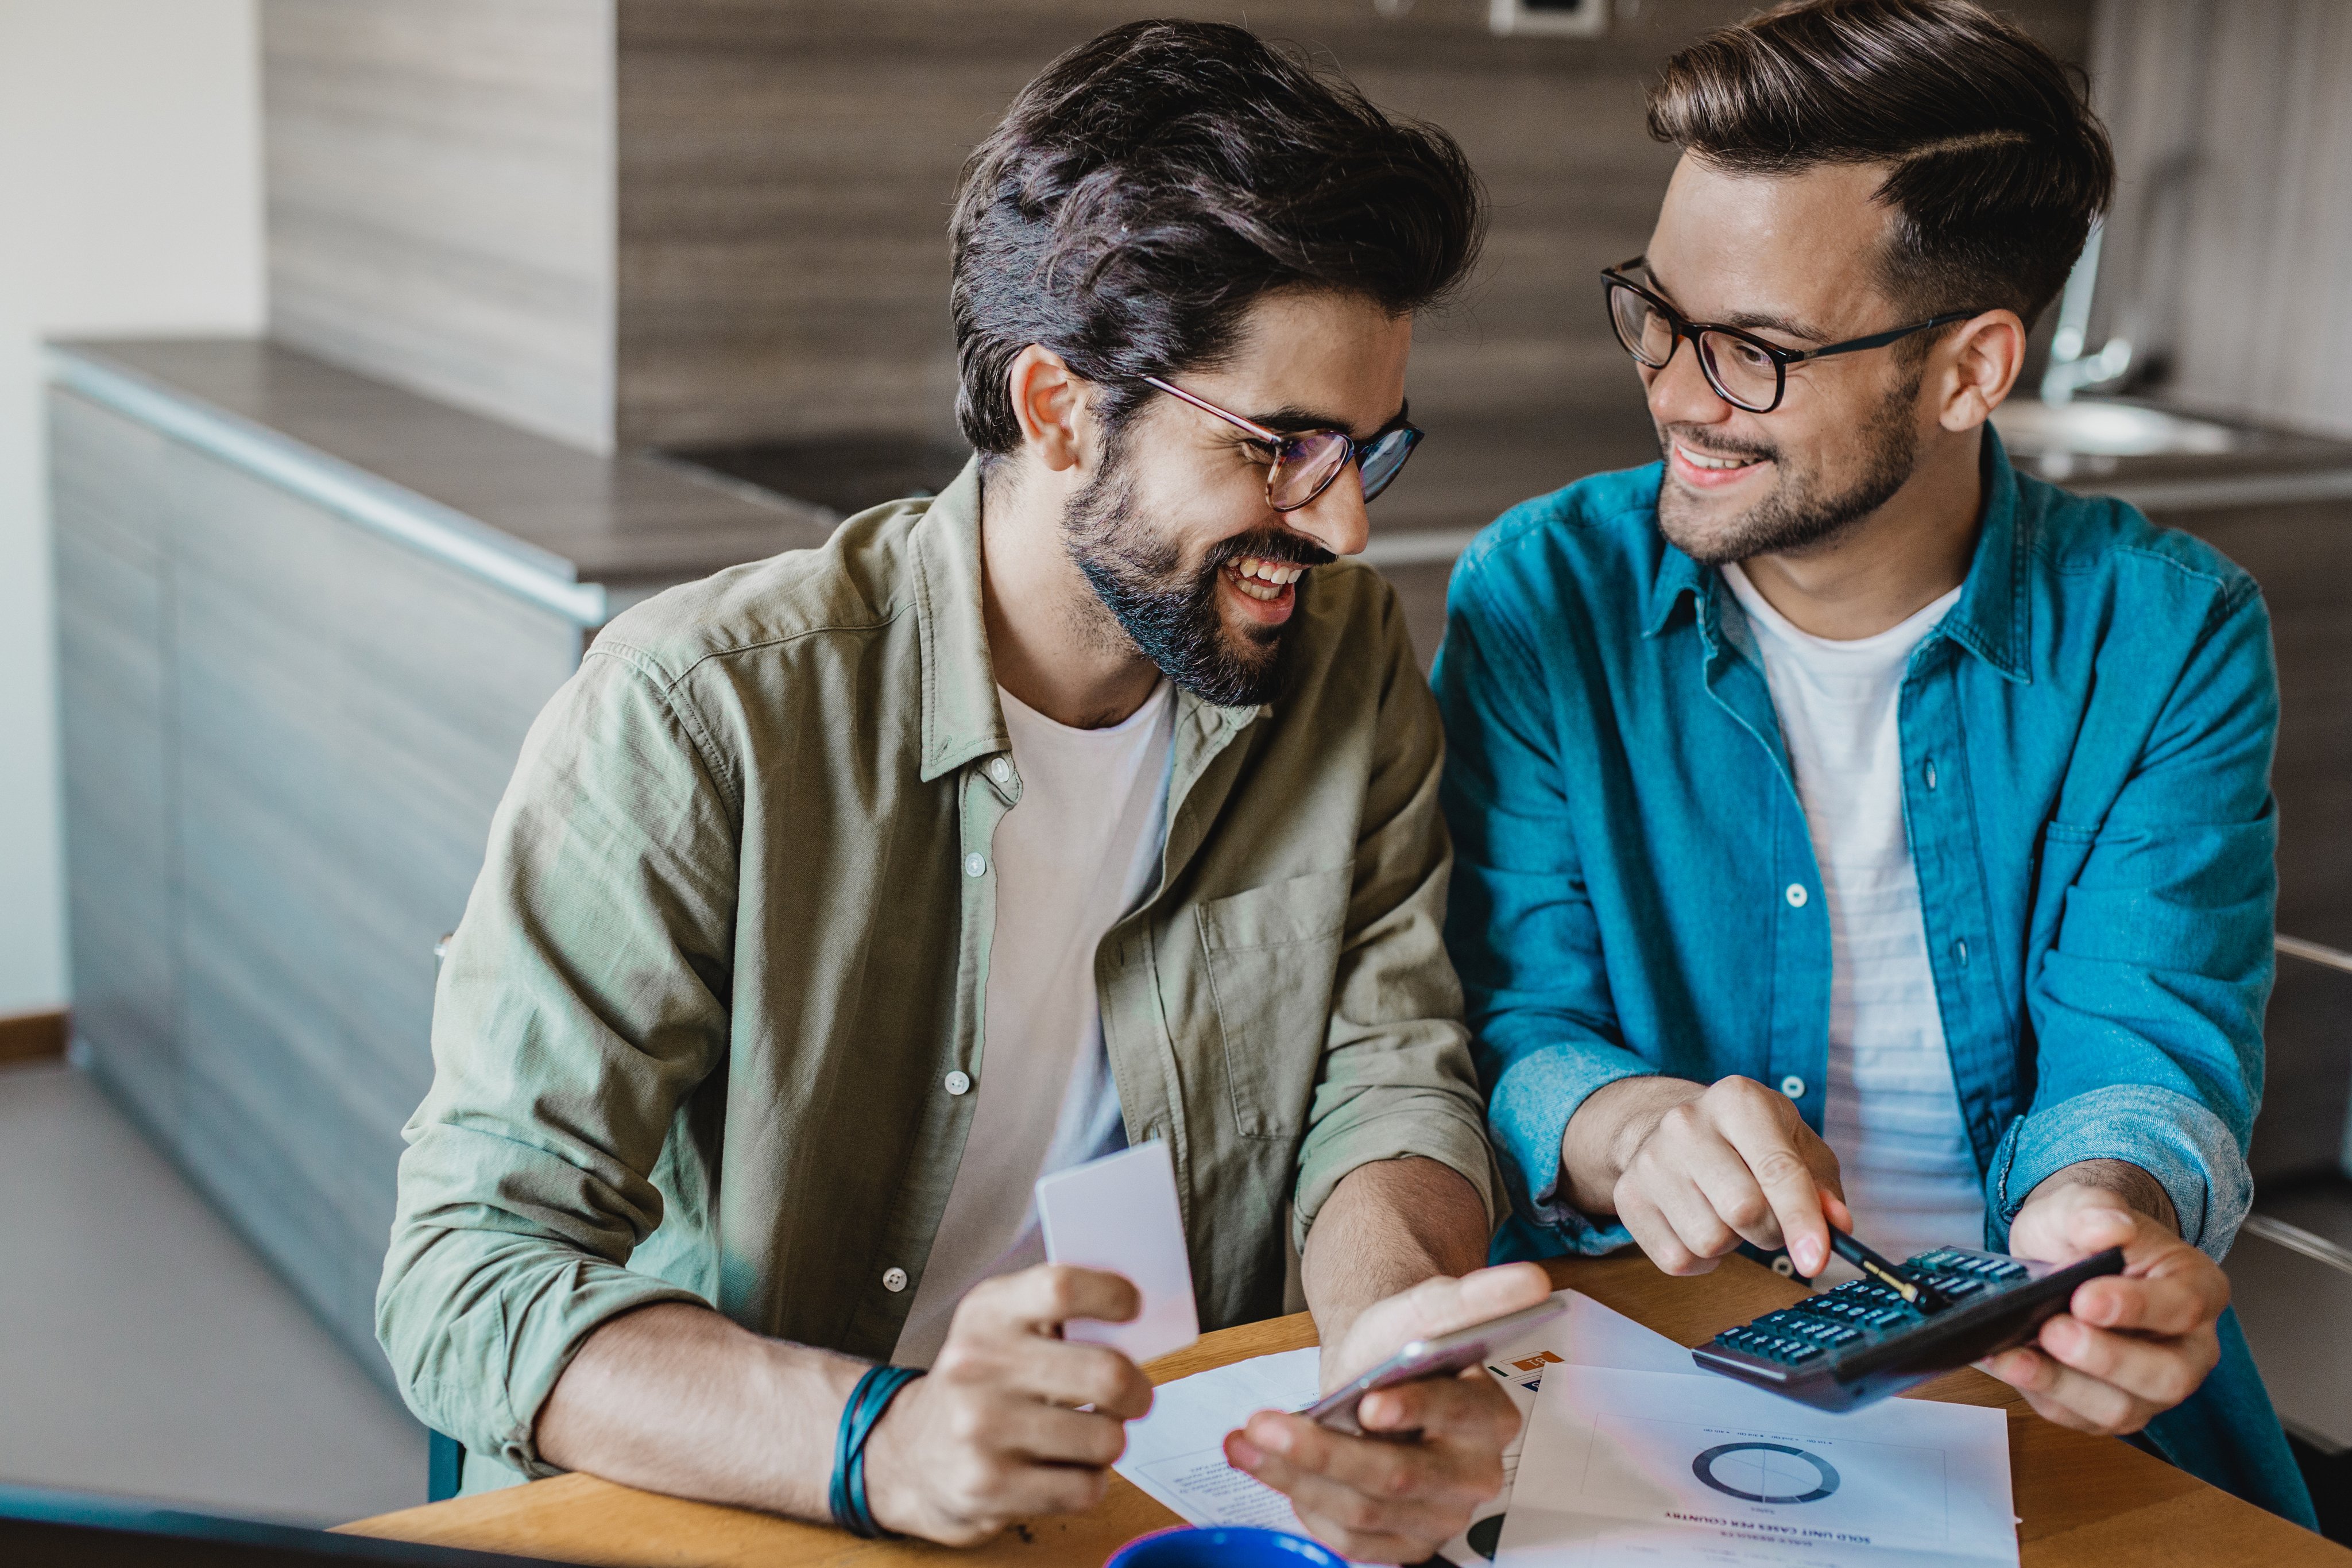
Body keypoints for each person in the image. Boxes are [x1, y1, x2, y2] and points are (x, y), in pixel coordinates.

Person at [378, 20, 1549, 1558]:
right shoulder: (703, 710)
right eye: (1283, 447)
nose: (1336, 525)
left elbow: (1384, 1073)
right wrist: (878, 1436)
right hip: (765, 1481)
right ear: (1059, 408)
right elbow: (470, 1270)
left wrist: (1393, 1350)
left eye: (1367, 451)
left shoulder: (1338, 667)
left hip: (1158, 1477)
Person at [1433, 0, 2316, 1527]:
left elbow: (2147, 1046)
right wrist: (1632, 1123)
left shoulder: (2170, 640)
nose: (1677, 392)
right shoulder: (1540, 595)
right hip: (1657, 1374)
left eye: (1758, 352)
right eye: (1658, 310)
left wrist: (2093, 1221)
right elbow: (1512, 1018)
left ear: (1972, 368)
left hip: (2046, 1401)